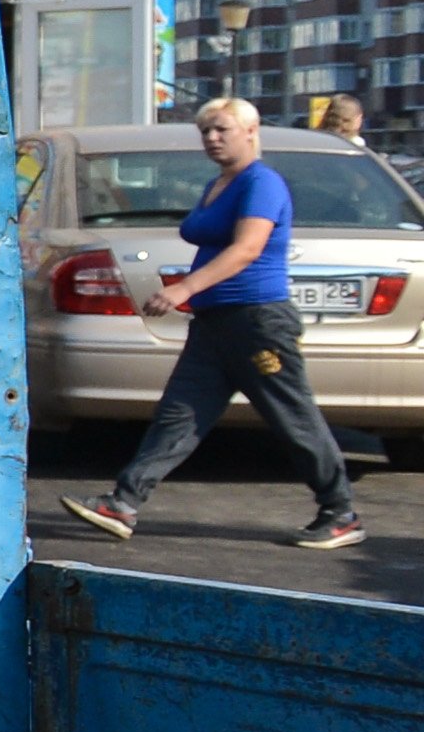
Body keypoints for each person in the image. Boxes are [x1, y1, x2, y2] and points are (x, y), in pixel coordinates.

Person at [61, 97, 361, 551]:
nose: (212, 139)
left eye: (222, 130)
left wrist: (184, 288)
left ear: (251, 131)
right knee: (178, 415)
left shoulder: (262, 184)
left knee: (291, 417)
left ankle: (340, 513)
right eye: (206, 132)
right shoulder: (221, 183)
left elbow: (246, 250)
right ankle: (122, 504)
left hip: (258, 322)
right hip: (215, 324)